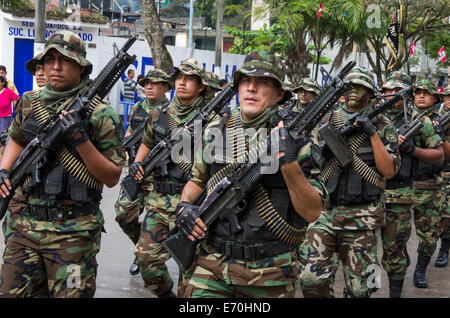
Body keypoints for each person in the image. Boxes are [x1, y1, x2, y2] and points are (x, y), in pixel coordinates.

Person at [176, 51, 327, 298]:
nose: (252, 88)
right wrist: (184, 208)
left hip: (271, 272)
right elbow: (197, 179)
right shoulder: (216, 129)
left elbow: (312, 211)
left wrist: (289, 165)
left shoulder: (299, 140)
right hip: (212, 264)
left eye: (263, 82)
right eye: (246, 81)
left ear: (280, 94)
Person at [0, 30, 126, 298]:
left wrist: (80, 140)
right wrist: (4, 170)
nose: (55, 66)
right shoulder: (29, 102)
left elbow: (112, 176)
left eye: (64, 60)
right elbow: (16, 138)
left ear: (81, 68)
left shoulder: (102, 114)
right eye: (49, 59)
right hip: (25, 227)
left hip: (73, 232)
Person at [299, 66, 400, 298]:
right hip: (324, 213)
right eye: (350, 86)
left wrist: (372, 132)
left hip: (362, 216)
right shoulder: (326, 120)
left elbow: (388, 170)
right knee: (310, 279)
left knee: (362, 288)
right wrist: (321, 151)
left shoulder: (383, 125)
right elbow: (307, 163)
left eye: (361, 87)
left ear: (370, 93)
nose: (354, 91)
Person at [130, 59, 208, 298]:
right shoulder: (160, 113)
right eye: (179, 77)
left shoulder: (211, 117)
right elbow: (147, 141)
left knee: (190, 270)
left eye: (189, 78)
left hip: (192, 205)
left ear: (201, 86)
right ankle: (165, 294)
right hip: (160, 200)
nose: (182, 82)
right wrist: (137, 164)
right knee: (145, 260)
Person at [379, 71, 440, 297]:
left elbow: (439, 155)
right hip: (367, 195)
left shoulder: (420, 122)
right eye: (387, 90)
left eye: (397, 91)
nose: (391, 95)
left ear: (406, 94)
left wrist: (411, 149)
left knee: (396, 248)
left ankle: (401, 287)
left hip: (400, 193)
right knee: (361, 254)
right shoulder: (371, 117)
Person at [114, 69, 172, 276]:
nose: (149, 87)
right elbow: (130, 131)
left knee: (158, 220)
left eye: (155, 83)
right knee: (123, 215)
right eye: (146, 83)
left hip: (160, 173)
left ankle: (146, 253)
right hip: (137, 171)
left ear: (165, 87)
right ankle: (142, 246)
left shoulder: (171, 111)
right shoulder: (138, 108)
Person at [406, 79, 444, 288]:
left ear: (435, 98)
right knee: (394, 236)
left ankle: (420, 269)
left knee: (429, 236)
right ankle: (401, 256)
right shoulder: (402, 116)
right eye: (418, 92)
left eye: (426, 93)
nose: (421, 96)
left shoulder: (441, 121)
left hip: (429, 184)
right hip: (402, 186)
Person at [435, 84, 450, 267]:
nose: (449, 100)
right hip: (433, 172)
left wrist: (442, 137)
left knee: (447, 215)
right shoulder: (438, 117)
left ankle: (444, 250)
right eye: (447, 97)